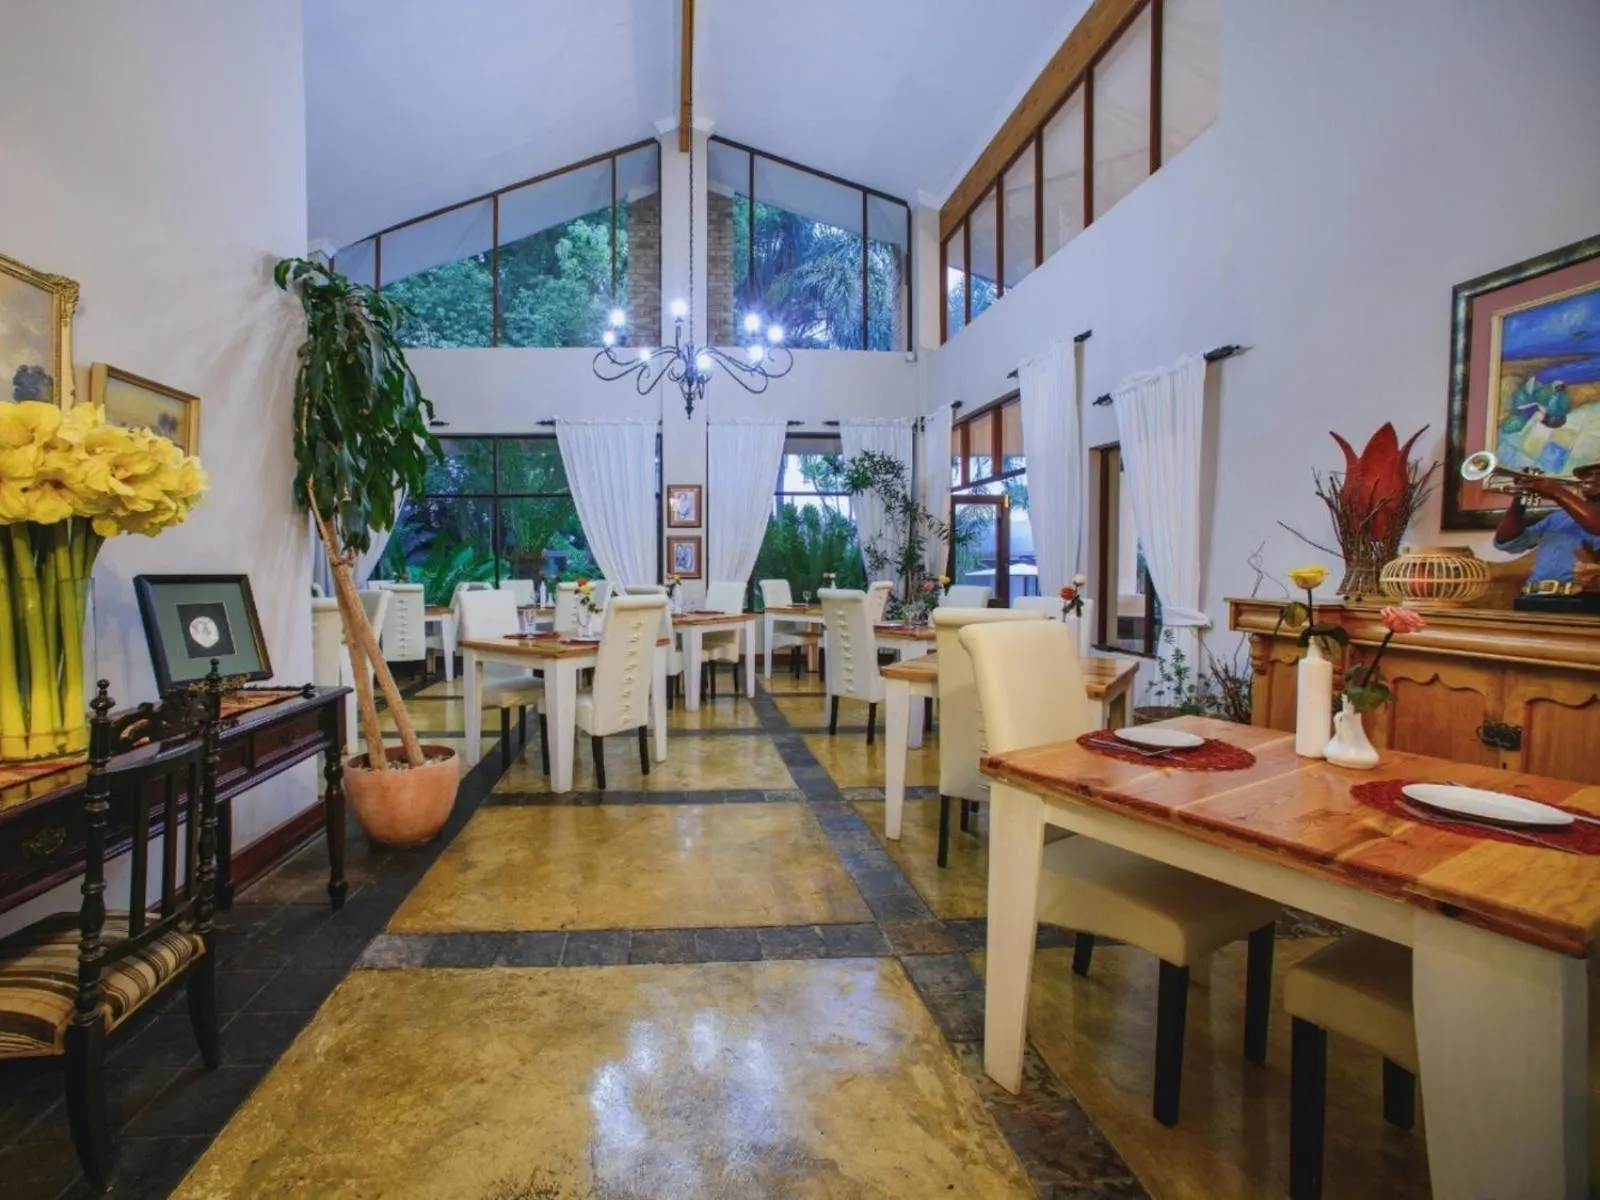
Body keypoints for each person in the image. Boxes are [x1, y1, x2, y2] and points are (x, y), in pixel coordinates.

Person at [1494, 461, 1600, 600]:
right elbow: (1508, 541)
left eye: (1599, 474)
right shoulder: (1558, 517)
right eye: (1588, 474)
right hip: (1533, 596)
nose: (1591, 478)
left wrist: (1556, 491)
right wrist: (1520, 497)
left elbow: (1596, 525)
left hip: (1581, 599)